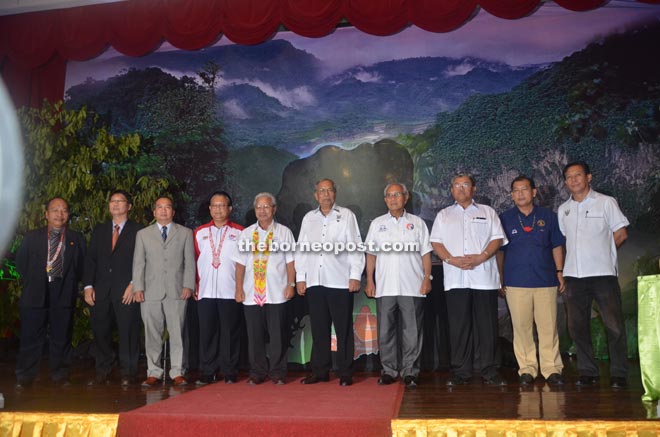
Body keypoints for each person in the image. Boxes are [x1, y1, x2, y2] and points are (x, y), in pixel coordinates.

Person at [430, 173, 507, 386]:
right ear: (451, 190)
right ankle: (460, 372)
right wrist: (451, 260)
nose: (461, 188)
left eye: (465, 185)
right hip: (456, 278)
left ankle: (490, 371)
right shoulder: (444, 215)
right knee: (459, 326)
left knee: (487, 326)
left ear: (473, 189)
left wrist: (481, 257)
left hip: (483, 277)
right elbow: (436, 242)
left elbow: (497, 239)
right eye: (456, 185)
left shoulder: (487, 212)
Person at [558, 161, 629, 388]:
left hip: (603, 275)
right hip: (574, 277)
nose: (573, 180)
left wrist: (605, 253)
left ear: (588, 177)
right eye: (569, 177)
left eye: (578, 175)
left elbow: (621, 233)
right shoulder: (563, 209)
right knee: (577, 326)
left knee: (614, 325)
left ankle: (619, 373)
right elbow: (563, 241)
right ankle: (588, 371)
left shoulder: (606, 202)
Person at [295, 178, 365, 386]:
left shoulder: (346, 216)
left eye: (329, 190)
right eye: (321, 191)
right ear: (315, 195)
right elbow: (302, 248)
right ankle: (320, 370)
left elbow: (355, 245)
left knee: (343, 328)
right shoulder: (309, 218)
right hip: (315, 281)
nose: (325, 194)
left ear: (335, 193)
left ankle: (345, 372)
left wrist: (355, 275)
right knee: (319, 328)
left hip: (340, 281)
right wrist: (300, 277)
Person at [496, 176, 565, 386]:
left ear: (534, 192)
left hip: (546, 281)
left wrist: (560, 272)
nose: (520, 194)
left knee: (548, 327)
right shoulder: (505, 218)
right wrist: (500, 278)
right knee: (521, 328)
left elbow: (556, 246)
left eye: (524, 189)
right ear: (511, 195)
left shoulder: (548, 216)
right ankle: (527, 369)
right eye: (515, 190)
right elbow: (500, 251)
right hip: (516, 282)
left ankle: (551, 369)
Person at [364, 183, 433, 388]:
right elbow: (371, 254)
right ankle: (389, 370)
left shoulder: (417, 223)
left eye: (397, 195)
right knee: (386, 331)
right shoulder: (377, 224)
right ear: (385, 200)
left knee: (412, 331)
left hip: (412, 285)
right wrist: (369, 280)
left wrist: (427, 278)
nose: (393, 198)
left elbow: (426, 253)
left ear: (406, 197)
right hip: (385, 286)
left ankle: (410, 371)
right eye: (389, 195)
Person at [15, 197, 85, 388]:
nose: (59, 214)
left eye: (63, 210)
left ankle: (60, 375)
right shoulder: (31, 237)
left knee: (61, 336)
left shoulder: (75, 239)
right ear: (46, 214)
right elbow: (21, 263)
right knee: (31, 336)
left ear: (68, 215)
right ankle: (25, 376)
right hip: (36, 292)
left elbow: (80, 267)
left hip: (62, 291)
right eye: (55, 210)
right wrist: (35, 280)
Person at [132, 196, 196, 387]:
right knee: (152, 334)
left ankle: (177, 371)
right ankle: (154, 372)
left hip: (177, 291)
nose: (163, 210)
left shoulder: (185, 233)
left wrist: (188, 285)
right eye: (159, 207)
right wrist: (138, 288)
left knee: (177, 334)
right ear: (154, 212)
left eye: (167, 207)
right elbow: (138, 263)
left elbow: (189, 263)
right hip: (150, 291)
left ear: (173, 212)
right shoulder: (143, 234)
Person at [234, 193, 295, 385]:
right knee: (254, 337)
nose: (262, 210)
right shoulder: (246, 234)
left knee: (278, 335)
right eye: (259, 207)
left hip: (277, 291)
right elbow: (240, 265)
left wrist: (291, 284)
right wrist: (238, 288)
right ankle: (257, 372)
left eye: (266, 207)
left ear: (274, 209)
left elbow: (291, 261)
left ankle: (278, 373)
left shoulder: (284, 232)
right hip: (251, 293)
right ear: (255, 210)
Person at [83, 190, 143, 386]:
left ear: (129, 206)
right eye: (113, 201)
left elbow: (143, 261)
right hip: (100, 290)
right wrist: (88, 285)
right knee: (100, 331)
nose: (116, 204)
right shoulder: (99, 230)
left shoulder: (139, 231)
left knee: (128, 332)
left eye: (121, 201)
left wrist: (134, 284)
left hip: (127, 290)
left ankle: (128, 372)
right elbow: (90, 260)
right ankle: (103, 370)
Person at [193, 191, 244, 385]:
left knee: (230, 333)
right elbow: (195, 260)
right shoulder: (199, 232)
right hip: (205, 291)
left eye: (222, 205)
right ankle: (207, 371)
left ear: (229, 209)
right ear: (209, 209)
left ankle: (229, 371)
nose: (218, 209)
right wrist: (195, 283)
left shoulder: (240, 232)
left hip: (229, 290)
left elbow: (244, 263)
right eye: (214, 205)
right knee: (207, 333)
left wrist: (240, 288)